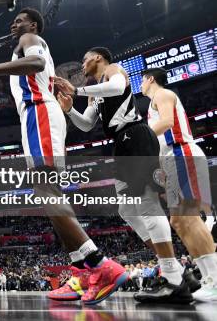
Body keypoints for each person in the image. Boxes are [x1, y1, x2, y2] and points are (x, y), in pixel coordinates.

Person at [0, 8, 127, 305]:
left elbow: (35, 63)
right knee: (47, 194)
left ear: (32, 25)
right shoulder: (25, 43)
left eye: (19, 19)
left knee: (45, 190)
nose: (14, 23)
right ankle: (82, 273)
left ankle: (101, 264)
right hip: (36, 116)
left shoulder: (31, 38)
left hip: (40, 113)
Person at [55, 48, 194, 304]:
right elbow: (86, 124)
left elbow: (118, 88)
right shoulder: (96, 90)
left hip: (136, 135)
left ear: (98, 58)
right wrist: (69, 109)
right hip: (121, 142)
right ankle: (177, 270)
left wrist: (79, 91)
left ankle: (174, 281)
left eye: (85, 59)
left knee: (146, 204)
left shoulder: (112, 70)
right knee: (127, 210)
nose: (82, 64)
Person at [141, 67, 217, 301]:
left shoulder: (162, 94)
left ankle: (215, 280)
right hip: (171, 161)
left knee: (188, 217)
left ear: (150, 79)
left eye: (142, 80)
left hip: (182, 153)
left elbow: (167, 122)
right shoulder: (154, 101)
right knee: (179, 221)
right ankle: (208, 279)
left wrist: (141, 140)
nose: (141, 85)